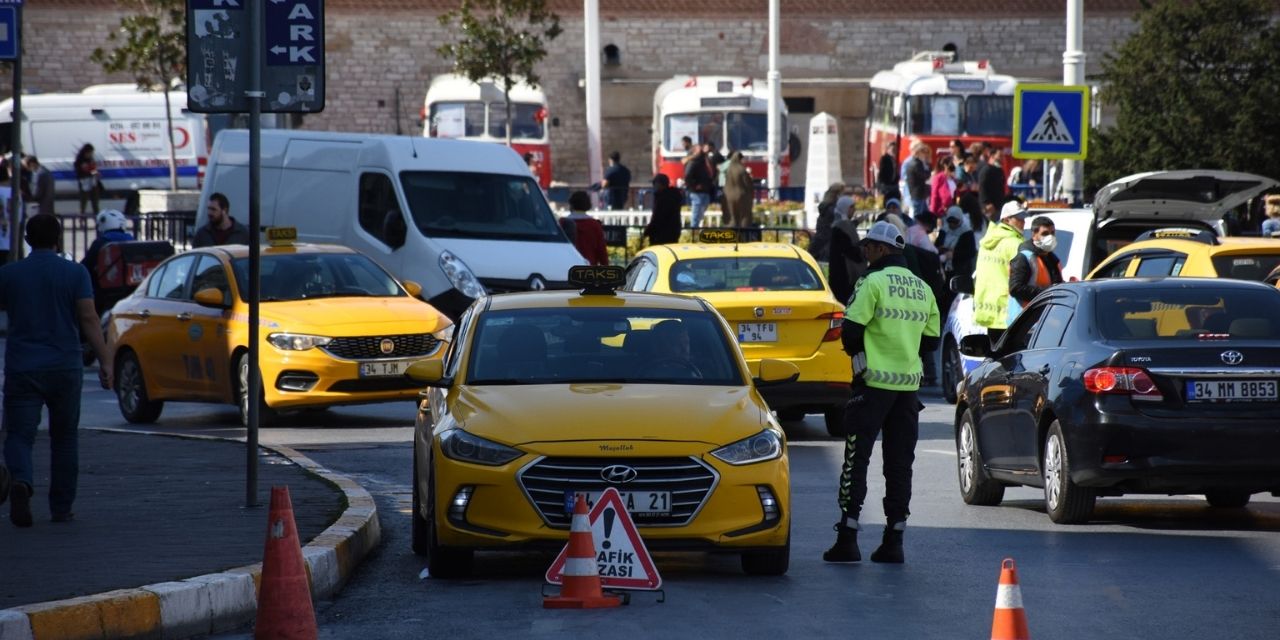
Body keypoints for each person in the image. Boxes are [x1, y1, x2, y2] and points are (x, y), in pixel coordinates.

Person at [823, 220, 939, 564]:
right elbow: (930, 341)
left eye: (868, 247)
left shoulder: (871, 282)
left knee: (856, 462)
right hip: (907, 390)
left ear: (881, 250)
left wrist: (864, 358)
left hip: (872, 386)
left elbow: (851, 331)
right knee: (900, 465)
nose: (865, 252)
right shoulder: (923, 288)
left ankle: (848, 538)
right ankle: (894, 540)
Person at [0, 214, 113, 527]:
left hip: (23, 367)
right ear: (58, 239)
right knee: (64, 439)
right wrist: (105, 360)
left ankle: (21, 480)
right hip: (65, 366)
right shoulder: (75, 273)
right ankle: (61, 508)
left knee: (19, 435)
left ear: (27, 239)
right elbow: (89, 318)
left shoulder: (9, 274)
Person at [973, 199, 1029, 344]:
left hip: (990, 311)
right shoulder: (1016, 244)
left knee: (995, 360)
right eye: (1018, 218)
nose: (1023, 222)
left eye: (1023, 218)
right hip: (1009, 312)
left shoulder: (986, 242)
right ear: (1006, 220)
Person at [80, 209, 136, 309]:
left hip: (102, 293)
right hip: (129, 291)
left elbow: (85, 266)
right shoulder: (132, 240)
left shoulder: (101, 242)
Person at [1009, 215, 1064, 308]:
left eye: (1053, 233)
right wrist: (1047, 292)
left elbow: (1055, 283)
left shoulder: (1052, 259)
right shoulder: (1024, 258)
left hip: (1045, 315)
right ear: (1034, 235)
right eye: (1045, 234)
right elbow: (1015, 288)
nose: (1050, 237)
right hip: (1026, 317)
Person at [827, 195, 867, 304]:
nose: (854, 210)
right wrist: (863, 251)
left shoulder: (842, 224)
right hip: (844, 275)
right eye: (851, 207)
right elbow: (850, 250)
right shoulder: (842, 226)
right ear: (845, 208)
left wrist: (857, 221)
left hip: (841, 274)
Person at [566, 190, 608, 266]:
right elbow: (601, 251)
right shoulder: (594, 225)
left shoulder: (563, 223)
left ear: (571, 205)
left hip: (567, 268)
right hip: (589, 269)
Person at [645, 174, 683, 246]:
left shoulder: (663, 198)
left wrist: (649, 230)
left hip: (662, 233)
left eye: (654, 184)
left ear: (660, 184)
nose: (653, 186)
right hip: (674, 230)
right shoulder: (674, 196)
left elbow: (658, 217)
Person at [683, 142, 714, 229]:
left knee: (702, 210)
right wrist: (693, 186)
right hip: (697, 191)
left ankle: (696, 227)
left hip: (705, 190)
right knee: (696, 213)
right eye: (699, 149)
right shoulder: (694, 162)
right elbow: (687, 175)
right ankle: (693, 231)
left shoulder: (705, 160)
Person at [721, 151, 755, 228]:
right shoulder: (741, 169)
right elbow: (747, 183)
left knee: (732, 216)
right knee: (744, 216)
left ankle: (731, 234)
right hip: (742, 195)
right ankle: (743, 235)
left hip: (728, 196)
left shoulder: (728, 169)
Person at [904, 142, 932, 217]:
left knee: (924, 214)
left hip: (920, 194)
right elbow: (924, 175)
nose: (925, 155)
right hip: (917, 194)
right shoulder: (916, 164)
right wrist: (929, 170)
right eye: (923, 152)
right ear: (918, 152)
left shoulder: (916, 163)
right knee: (918, 216)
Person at [978, 146, 1008, 215]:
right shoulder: (986, 170)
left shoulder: (999, 170)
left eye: (1002, 156)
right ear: (992, 156)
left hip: (999, 205)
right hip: (990, 207)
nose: (1002, 158)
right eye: (1000, 156)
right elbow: (982, 187)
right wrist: (986, 203)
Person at [74, 144, 101, 216]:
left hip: (93, 182)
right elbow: (82, 171)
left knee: (95, 202)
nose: (91, 154)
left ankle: (97, 217)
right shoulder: (80, 160)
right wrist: (90, 171)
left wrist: (95, 173)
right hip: (84, 182)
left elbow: (93, 169)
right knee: (83, 202)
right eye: (90, 153)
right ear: (86, 152)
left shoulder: (91, 159)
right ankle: (82, 217)